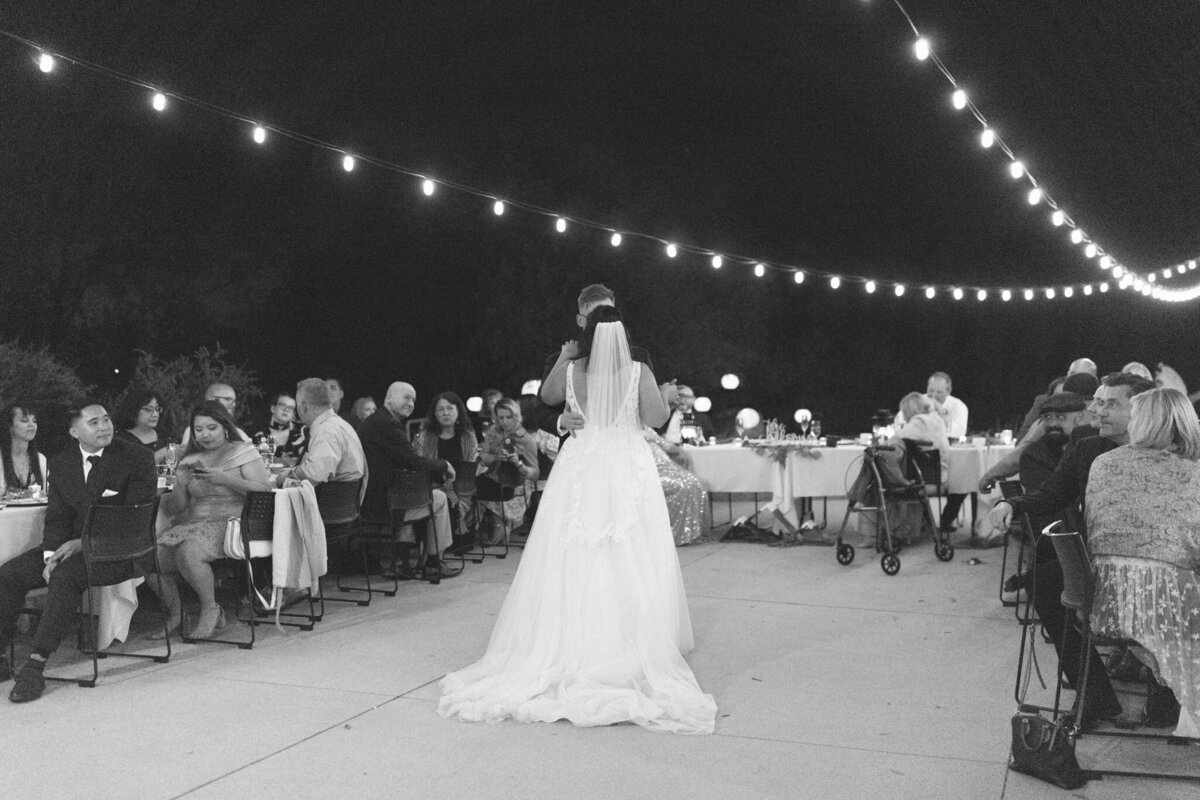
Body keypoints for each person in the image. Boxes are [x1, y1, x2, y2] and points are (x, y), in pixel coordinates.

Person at [439, 305, 717, 734]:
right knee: (628, 547)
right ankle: (627, 640)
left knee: (573, 549)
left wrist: (567, 360)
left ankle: (566, 640)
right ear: (622, 334)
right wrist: (662, 392)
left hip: (582, 463)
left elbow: (547, 398)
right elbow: (657, 420)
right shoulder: (639, 370)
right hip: (624, 462)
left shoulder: (570, 370)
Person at [987, 371, 1156, 728]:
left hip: (1156, 572)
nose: (1097, 410)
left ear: (1140, 409)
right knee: (1042, 582)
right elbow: (1050, 494)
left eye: (1110, 403)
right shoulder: (1087, 449)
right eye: (1097, 401)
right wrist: (1012, 505)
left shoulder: (1166, 453)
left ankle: (1165, 696)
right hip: (1103, 569)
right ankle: (1094, 693)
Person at [0, 402, 156, 703]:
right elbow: (57, 518)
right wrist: (49, 556)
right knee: (10, 573)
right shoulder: (62, 462)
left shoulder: (137, 457)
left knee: (66, 575)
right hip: (70, 547)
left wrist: (81, 544)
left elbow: (135, 519)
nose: (105, 427)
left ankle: (35, 665)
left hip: (122, 550)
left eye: (106, 419)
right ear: (75, 432)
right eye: (94, 422)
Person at [1086, 387, 1200, 736]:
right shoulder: (1193, 472)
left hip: (1106, 600)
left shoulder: (1104, 463)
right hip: (1168, 604)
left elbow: (1093, 531)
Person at [152, 401, 272, 640]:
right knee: (151, 556)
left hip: (235, 522)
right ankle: (177, 612)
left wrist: (225, 479)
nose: (205, 434)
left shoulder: (242, 451)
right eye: (199, 429)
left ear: (225, 427)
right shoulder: (190, 458)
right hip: (196, 522)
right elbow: (177, 508)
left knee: (189, 553)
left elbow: (263, 492)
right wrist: (181, 485)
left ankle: (211, 609)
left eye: (211, 428)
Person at [527, 283, 656, 439]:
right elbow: (540, 408)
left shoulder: (638, 357)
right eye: (597, 314)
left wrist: (665, 400)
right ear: (581, 321)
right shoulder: (562, 359)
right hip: (579, 448)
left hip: (626, 449)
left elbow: (650, 411)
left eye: (610, 312)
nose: (605, 318)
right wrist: (561, 420)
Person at [359, 382, 460, 580]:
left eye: (413, 399)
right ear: (389, 398)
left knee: (427, 495)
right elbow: (412, 461)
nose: (411, 403)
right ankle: (433, 562)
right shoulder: (386, 425)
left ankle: (408, 561)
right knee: (439, 499)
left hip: (377, 496)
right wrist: (444, 465)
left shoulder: (377, 421)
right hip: (382, 503)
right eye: (406, 397)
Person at [415, 392, 478, 554]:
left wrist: (453, 491)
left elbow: (470, 469)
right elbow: (419, 467)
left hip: (462, 488)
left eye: (450, 408)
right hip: (431, 488)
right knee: (441, 502)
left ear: (458, 411)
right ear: (434, 414)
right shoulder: (424, 437)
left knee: (455, 504)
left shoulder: (468, 436)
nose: (445, 413)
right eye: (441, 409)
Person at [476, 398, 538, 545]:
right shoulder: (493, 432)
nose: (504, 421)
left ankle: (498, 526)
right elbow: (482, 456)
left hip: (518, 483)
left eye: (508, 417)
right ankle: (498, 526)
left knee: (477, 486)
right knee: (473, 485)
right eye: (500, 417)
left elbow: (534, 472)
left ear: (516, 416)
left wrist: (518, 462)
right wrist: (496, 457)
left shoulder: (525, 437)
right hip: (494, 478)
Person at [289, 378, 365, 488]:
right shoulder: (338, 424)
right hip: (339, 502)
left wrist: (286, 477)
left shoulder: (327, 431)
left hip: (327, 503)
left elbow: (314, 474)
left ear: (304, 407)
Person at [644, 427, 708, 546]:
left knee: (694, 483)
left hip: (665, 467)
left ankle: (692, 532)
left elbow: (664, 443)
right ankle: (677, 534)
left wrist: (677, 450)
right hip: (646, 471)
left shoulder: (646, 429)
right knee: (683, 486)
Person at [0, 403, 47, 496]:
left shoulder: (40, 459)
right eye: (24, 421)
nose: (32, 425)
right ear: (10, 426)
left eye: (34, 421)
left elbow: (47, 494)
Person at [113, 391, 173, 463]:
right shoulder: (121, 440)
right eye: (148, 410)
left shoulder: (165, 436)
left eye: (157, 409)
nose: (155, 414)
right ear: (133, 410)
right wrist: (159, 455)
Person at [250, 392, 309, 460]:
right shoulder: (259, 434)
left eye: (291, 407)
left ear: (293, 413)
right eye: (282, 405)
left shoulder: (302, 433)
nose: (286, 409)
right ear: (273, 408)